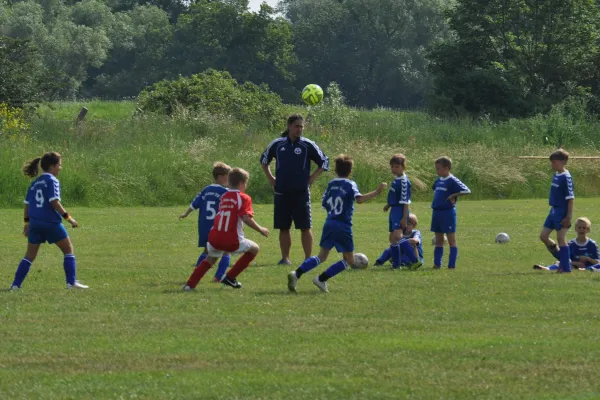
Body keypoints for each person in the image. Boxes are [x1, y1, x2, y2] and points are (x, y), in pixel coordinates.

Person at [287, 155, 386, 293]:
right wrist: (377, 191)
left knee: (322, 256)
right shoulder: (350, 184)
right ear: (350, 171)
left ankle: (296, 274)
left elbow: (324, 202)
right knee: (350, 260)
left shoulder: (331, 184)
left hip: (329, 223)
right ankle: (321, 279)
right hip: (343, 225)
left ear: (336, 170)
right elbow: (359, 200)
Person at [10, 152, 88, 290]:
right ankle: (71, 282)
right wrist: (69, 219)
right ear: (52, 166)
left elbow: (27, 205)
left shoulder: (34, 183)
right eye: (59, 165)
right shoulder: (52, 180)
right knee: (68, 250)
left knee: (29, 256)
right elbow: (54, 202)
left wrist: (27, 223)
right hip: (50, 223)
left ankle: (15, 285)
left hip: (34, 223)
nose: (60, 168)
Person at [184, 168, 269, 290]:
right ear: (241, 184)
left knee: (210, 259)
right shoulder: (244, 198)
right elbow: (245, 218)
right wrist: (260, 229)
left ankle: (189, 285)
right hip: (231, 240)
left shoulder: (224, 196)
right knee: (254, 249)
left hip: (214, 237)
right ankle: (230, 277)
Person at [260, 114, 329, 265]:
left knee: (305, 227)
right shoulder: (278, 144)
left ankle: (308, 259)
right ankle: (285, 258)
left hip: (301, 193)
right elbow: (264, 160)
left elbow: (324, 161)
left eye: (301, 127)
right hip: (281, 192)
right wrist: (271, 179)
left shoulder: (307, 145)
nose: (299, 129)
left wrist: (312, 178)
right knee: (283, 227)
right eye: (297, 126)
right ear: (289, 126)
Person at [179, 162, 231, 282]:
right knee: (226, 251)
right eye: (227, 175)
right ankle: (218, 277)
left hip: (204, 227)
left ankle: (197, 272)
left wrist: (185, 214)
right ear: (220, 176)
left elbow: (194, 204)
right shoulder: (226, 192)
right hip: (218, 228)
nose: (229, 178)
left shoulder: (206, 189)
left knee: (207, 251)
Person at [375, 154, 421, 270]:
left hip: (400, 211)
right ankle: (396, 265)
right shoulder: (396, 179)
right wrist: (388, 204)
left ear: (403, 167)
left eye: (397, 167)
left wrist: (404, 218)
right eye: (392, 167)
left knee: (397, 236)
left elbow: (405, 202)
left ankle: (414, 260)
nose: (394, 169)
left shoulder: (404, 182)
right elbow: (396, 196)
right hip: (394, 210)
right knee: (392, 238)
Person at [431, 156, 471, 269]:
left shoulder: (452, 179)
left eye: (438, 168)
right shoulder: (438, 180)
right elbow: (435, 190)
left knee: (451, 240)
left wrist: (453, 195)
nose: (436, 171)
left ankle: (451, 265)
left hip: (447, 213)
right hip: (436, 212)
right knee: (438, 239)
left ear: (446, 168)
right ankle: (437, 264)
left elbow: (466, 190)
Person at [539, 149, 574, 273]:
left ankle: (565, 267)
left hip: (562, 211)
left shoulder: (566, 177)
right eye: (551, 163)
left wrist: (568, 217)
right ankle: (564, 260)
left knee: (561, 238)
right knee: (543, 236)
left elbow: (570, 199)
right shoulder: (556, 175)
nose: (552, 165)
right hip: (553, 210)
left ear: (563, 162)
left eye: (554, 162)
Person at [533, 217, 600, 271]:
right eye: (579, 228)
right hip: (573, 266)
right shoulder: (571, 244)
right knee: (560, 263)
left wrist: (589, 259)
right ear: (575, 229)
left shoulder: (592, 244)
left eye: (584, 228)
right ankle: (547, 268)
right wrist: (576, 263)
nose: (581, 230)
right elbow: (566, 259)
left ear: (588, 230)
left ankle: (586, 270)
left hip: (590, 266)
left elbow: (598, 262)